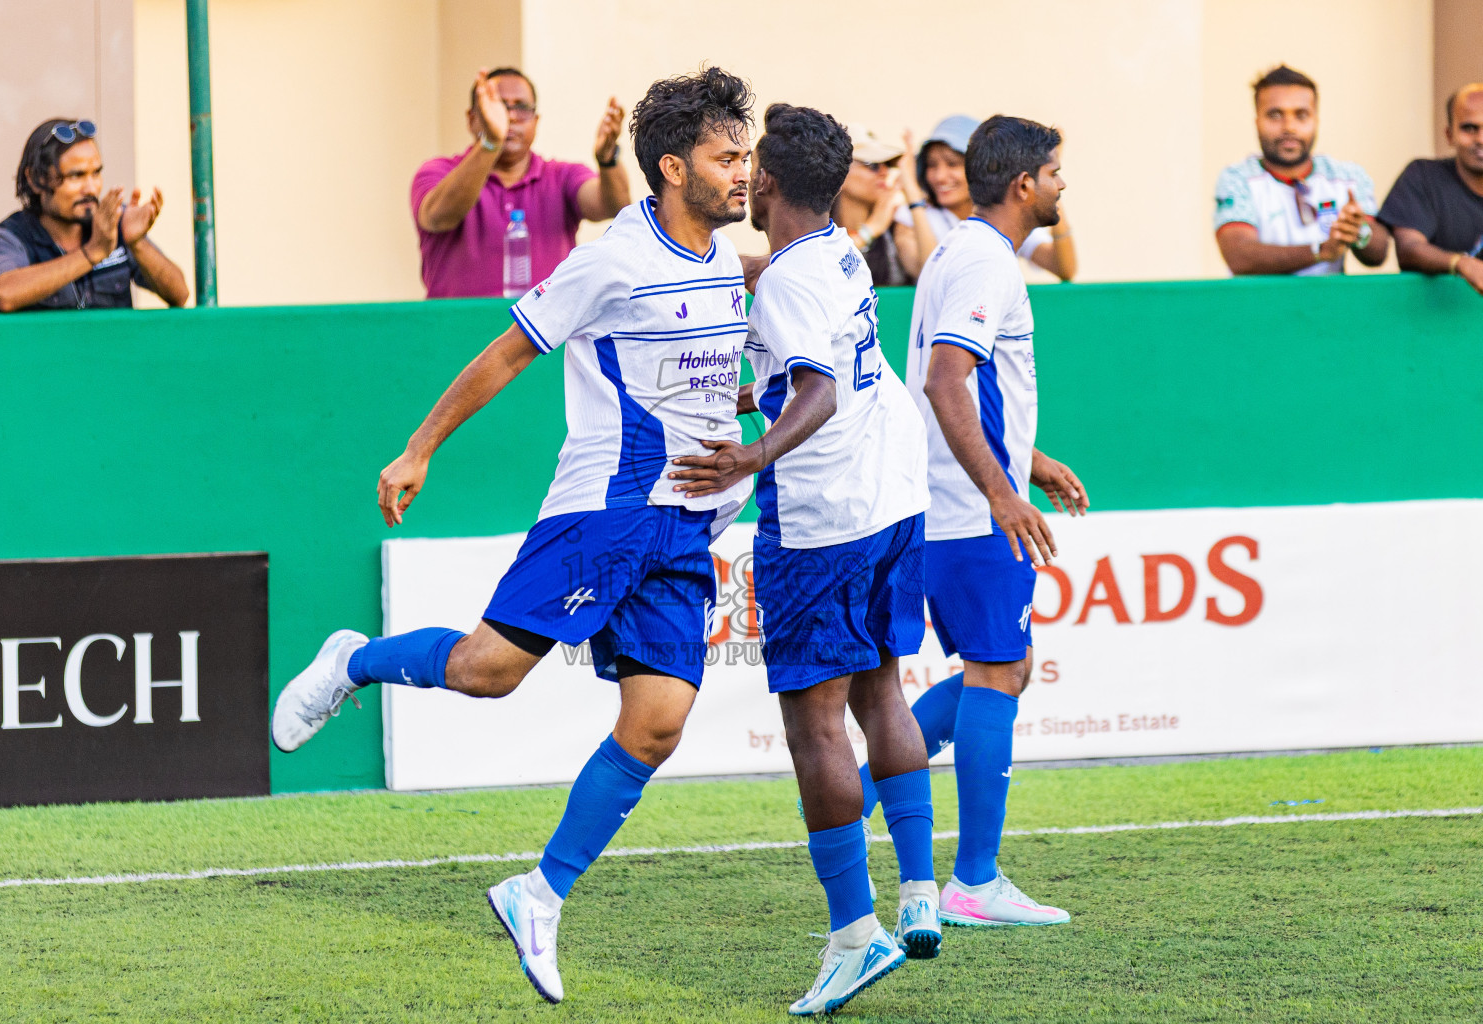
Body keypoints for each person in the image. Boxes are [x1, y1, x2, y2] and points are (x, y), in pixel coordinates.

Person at [272, 66, 757, 1005]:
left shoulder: (728, 269)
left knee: (657, 725)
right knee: (490, 673)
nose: (742, 174)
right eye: (724, 158)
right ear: (671, 167)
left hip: (687, 529)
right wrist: (418, 450)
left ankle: (539, 893)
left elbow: (696, 382)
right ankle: (356, 661)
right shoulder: (613, 259)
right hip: (604, 512)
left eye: (745, 156)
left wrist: (742, 415)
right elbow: (506, 353)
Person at [671, 102, 935, 1015]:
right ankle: (920, 893)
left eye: (750, 168)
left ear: (772, 185)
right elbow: (804, 358)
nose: (741, 178)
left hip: (824, 520)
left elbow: (814, 391)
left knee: (815, 727)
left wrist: (751, 449)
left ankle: (854, 938)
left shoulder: (785, 282)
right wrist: (753, 385)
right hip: (895, 497)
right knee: (883, 692)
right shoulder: (838, 251)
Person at [882, 115, 1089, 930]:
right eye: (1057, 171)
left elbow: (967, 385)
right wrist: (1004, 492)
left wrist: (1028, 459)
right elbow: (944, 382)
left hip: (953, 502)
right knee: (1000, 671)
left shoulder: (966, 252)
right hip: (969, 511)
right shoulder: (982, 260)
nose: (1064, 184)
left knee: (1005, 665)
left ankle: (856, 792)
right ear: (1023, 183)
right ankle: (973, 882)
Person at [411, 67, 632, 298]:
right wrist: (491, 143)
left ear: (536, 121)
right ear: (471, 119)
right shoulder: (437, 172)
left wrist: (608, 159)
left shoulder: (561, 176)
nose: (511, 117)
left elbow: (614, 206)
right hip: (457, 329)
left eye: (522, 108)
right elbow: (437, 217)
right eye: (500, 107)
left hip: (544, 332)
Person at [0, 118, 188, 311]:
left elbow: (180, 295)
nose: (91, 188)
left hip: (114, 349)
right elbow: (5, 294)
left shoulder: (114, 222)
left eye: (96, 173)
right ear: (36, 179)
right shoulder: (9, 236)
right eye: (76, 176)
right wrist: (92, 253)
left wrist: (137, 242)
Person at [1214, 65, 1390, 276]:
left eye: (1301, 115)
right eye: (1275, 115)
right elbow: (1240, 256)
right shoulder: (1237, 179)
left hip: (1328, 307)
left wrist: (1358, 230)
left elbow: (1378, 254)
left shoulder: (1346, 177)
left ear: (1316, 120)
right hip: (1260, 308)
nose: (1289, 127)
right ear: (1257, 121)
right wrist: (1320, 251)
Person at [895, 115, 1077, 283]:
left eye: (952, 164)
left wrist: (1044, 181)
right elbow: (932, 275)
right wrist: (913, 196)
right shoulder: (910, 215)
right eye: (932, 165)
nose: (940, 176)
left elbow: (1064, 269)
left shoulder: (1003, 213)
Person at [1378, 83, 1483, 297]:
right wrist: (1460, 263)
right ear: (1449, 134)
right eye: (1469, 128)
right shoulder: (1423, 176)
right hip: (1431, 324)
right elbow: (1409, 249)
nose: (1480, 139)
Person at [830, 126, 910, 287]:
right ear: (838, 172)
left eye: (886, 164)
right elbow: (823, 270)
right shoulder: (814, 225)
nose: (884, 172)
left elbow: (925, 270)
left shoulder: (896, 226)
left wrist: (915, 199)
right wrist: (871, 229)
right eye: (872, 164)